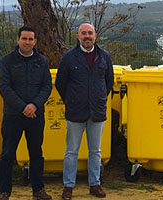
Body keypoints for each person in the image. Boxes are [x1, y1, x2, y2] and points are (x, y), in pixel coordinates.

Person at [55, 23, 113, 199]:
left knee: (95, 151)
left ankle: (94, 184)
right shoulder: (68, 57)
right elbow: (60, 83)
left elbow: (108, 82)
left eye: (90, 33)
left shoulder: (104, 57)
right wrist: (71, 100)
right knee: (72, 151)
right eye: (83, 33)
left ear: (95, 36)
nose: (87, 36)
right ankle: (68, 186)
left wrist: (100, 98)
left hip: (97, 112)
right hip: (75, 112)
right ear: (78, 36)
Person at [0, 26, 53, 200]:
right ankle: (4, 192)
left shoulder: (42, 61)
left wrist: (34, 105)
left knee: (36, 153)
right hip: (13, 115)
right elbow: (5, 88)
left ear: (35, 41)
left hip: (36, 115)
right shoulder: (7, 61)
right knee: (7, 154)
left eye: (30, 39)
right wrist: (23, 107)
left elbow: (46, 86)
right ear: (18, 40)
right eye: (24, 38)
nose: (27, 42)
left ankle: (38, 191)